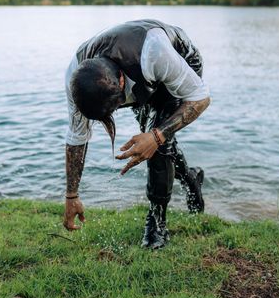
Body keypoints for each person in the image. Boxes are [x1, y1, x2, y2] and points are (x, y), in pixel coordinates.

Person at [62, 19, 211, 249]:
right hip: (143, 76)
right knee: (155, 139)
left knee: (157, 142)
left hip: (181, 61)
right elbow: (77, 137)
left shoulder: (154, 52)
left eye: (115, 107)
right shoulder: (76, 77)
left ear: (121, 83)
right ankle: (192, 179)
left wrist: (157, 136)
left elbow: (200, 98)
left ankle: (157, 222)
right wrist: (71, 195)